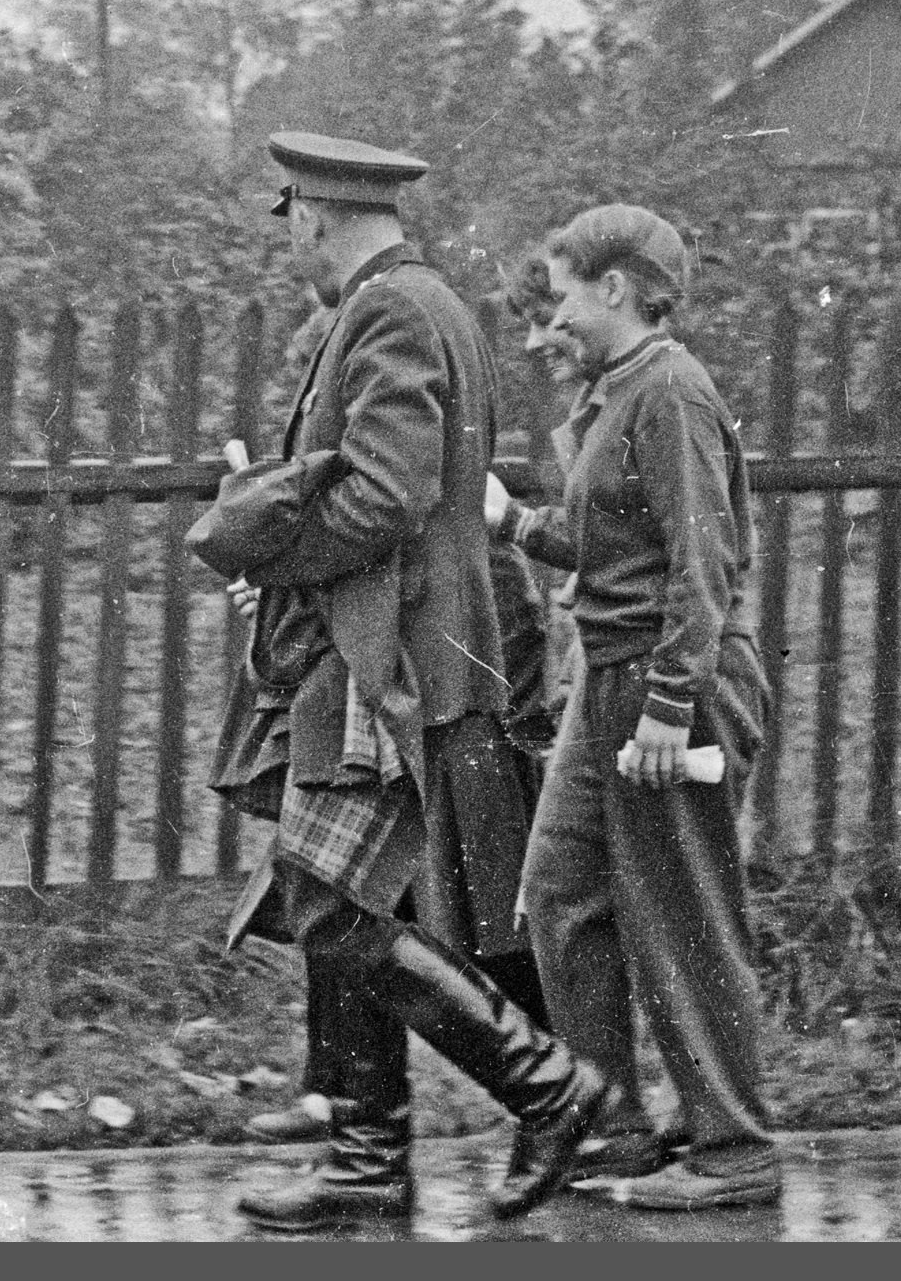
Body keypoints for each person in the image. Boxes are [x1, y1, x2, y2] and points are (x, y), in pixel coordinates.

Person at [209, 131, 606, 1230]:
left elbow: (384, 491)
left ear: (318, 217)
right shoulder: (429, 303)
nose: (296, 246)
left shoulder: (386, 311)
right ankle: (366, 1158)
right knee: (349, 894)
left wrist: (269, 543)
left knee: (330, 899)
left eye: (293, 223)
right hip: (396, 642)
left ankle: (545, 1085)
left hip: (382, 651)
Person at [485, 203, 785, 1211]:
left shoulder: (670, 392)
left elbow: (705, 565)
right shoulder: (616, 393)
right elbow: (614, 544)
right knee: (562, 889)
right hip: (610, 678)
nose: (554, 318)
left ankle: (734, 1146)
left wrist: (668, 702)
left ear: (615, 288)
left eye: (565, 293)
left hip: (671, 681)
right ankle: (607, 1120)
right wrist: (518, 524)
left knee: (683, 913)